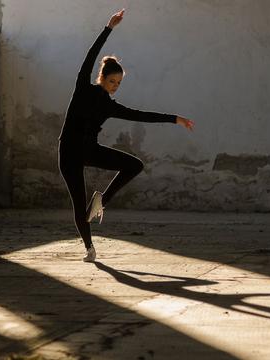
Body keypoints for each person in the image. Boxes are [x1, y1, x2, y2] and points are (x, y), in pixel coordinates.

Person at [57, 9, 194, 262]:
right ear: (102, 78)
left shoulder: (111, 106)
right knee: (78, 204)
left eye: (119, 83)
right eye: (112, 82)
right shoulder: (82, 89)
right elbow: (90, 56)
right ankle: (89, 249)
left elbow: (141, 115)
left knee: (134, 165)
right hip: (68, 153)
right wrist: (108, 27)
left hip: (89, 150)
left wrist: (174, 119)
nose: (115, 86)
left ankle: (102, 200)